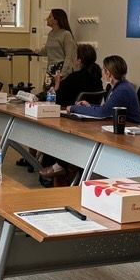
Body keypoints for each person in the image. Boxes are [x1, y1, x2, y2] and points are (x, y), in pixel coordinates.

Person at [38, 44, 103, 181]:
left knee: (45, 127)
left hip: (69, 118)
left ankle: (52, 167)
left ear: (79, 60)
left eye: (75, 57)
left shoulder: (74, 77)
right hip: (90, 121)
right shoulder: (97, 79)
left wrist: (56, 85)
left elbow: (57, 98)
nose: (73, 59)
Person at [68, 55, 140, 125]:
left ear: (108, 73)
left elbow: (102, 112)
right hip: (122, 126)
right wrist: (89, 106)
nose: (101, 71)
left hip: (130, 128)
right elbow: (107, 108)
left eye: (103, 69)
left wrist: (74, 108)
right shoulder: (119, 86)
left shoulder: (122, 90)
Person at [37, 9, 77, 80]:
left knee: (59, 90)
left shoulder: (66, 34)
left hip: (61, 69)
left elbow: (69, 56)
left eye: (49, 17)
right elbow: (47, 50)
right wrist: (37, 51)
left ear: (56, 21)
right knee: (48, 91)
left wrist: (62, 73)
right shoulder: (50, 34)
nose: (47, 19)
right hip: (50, 68)